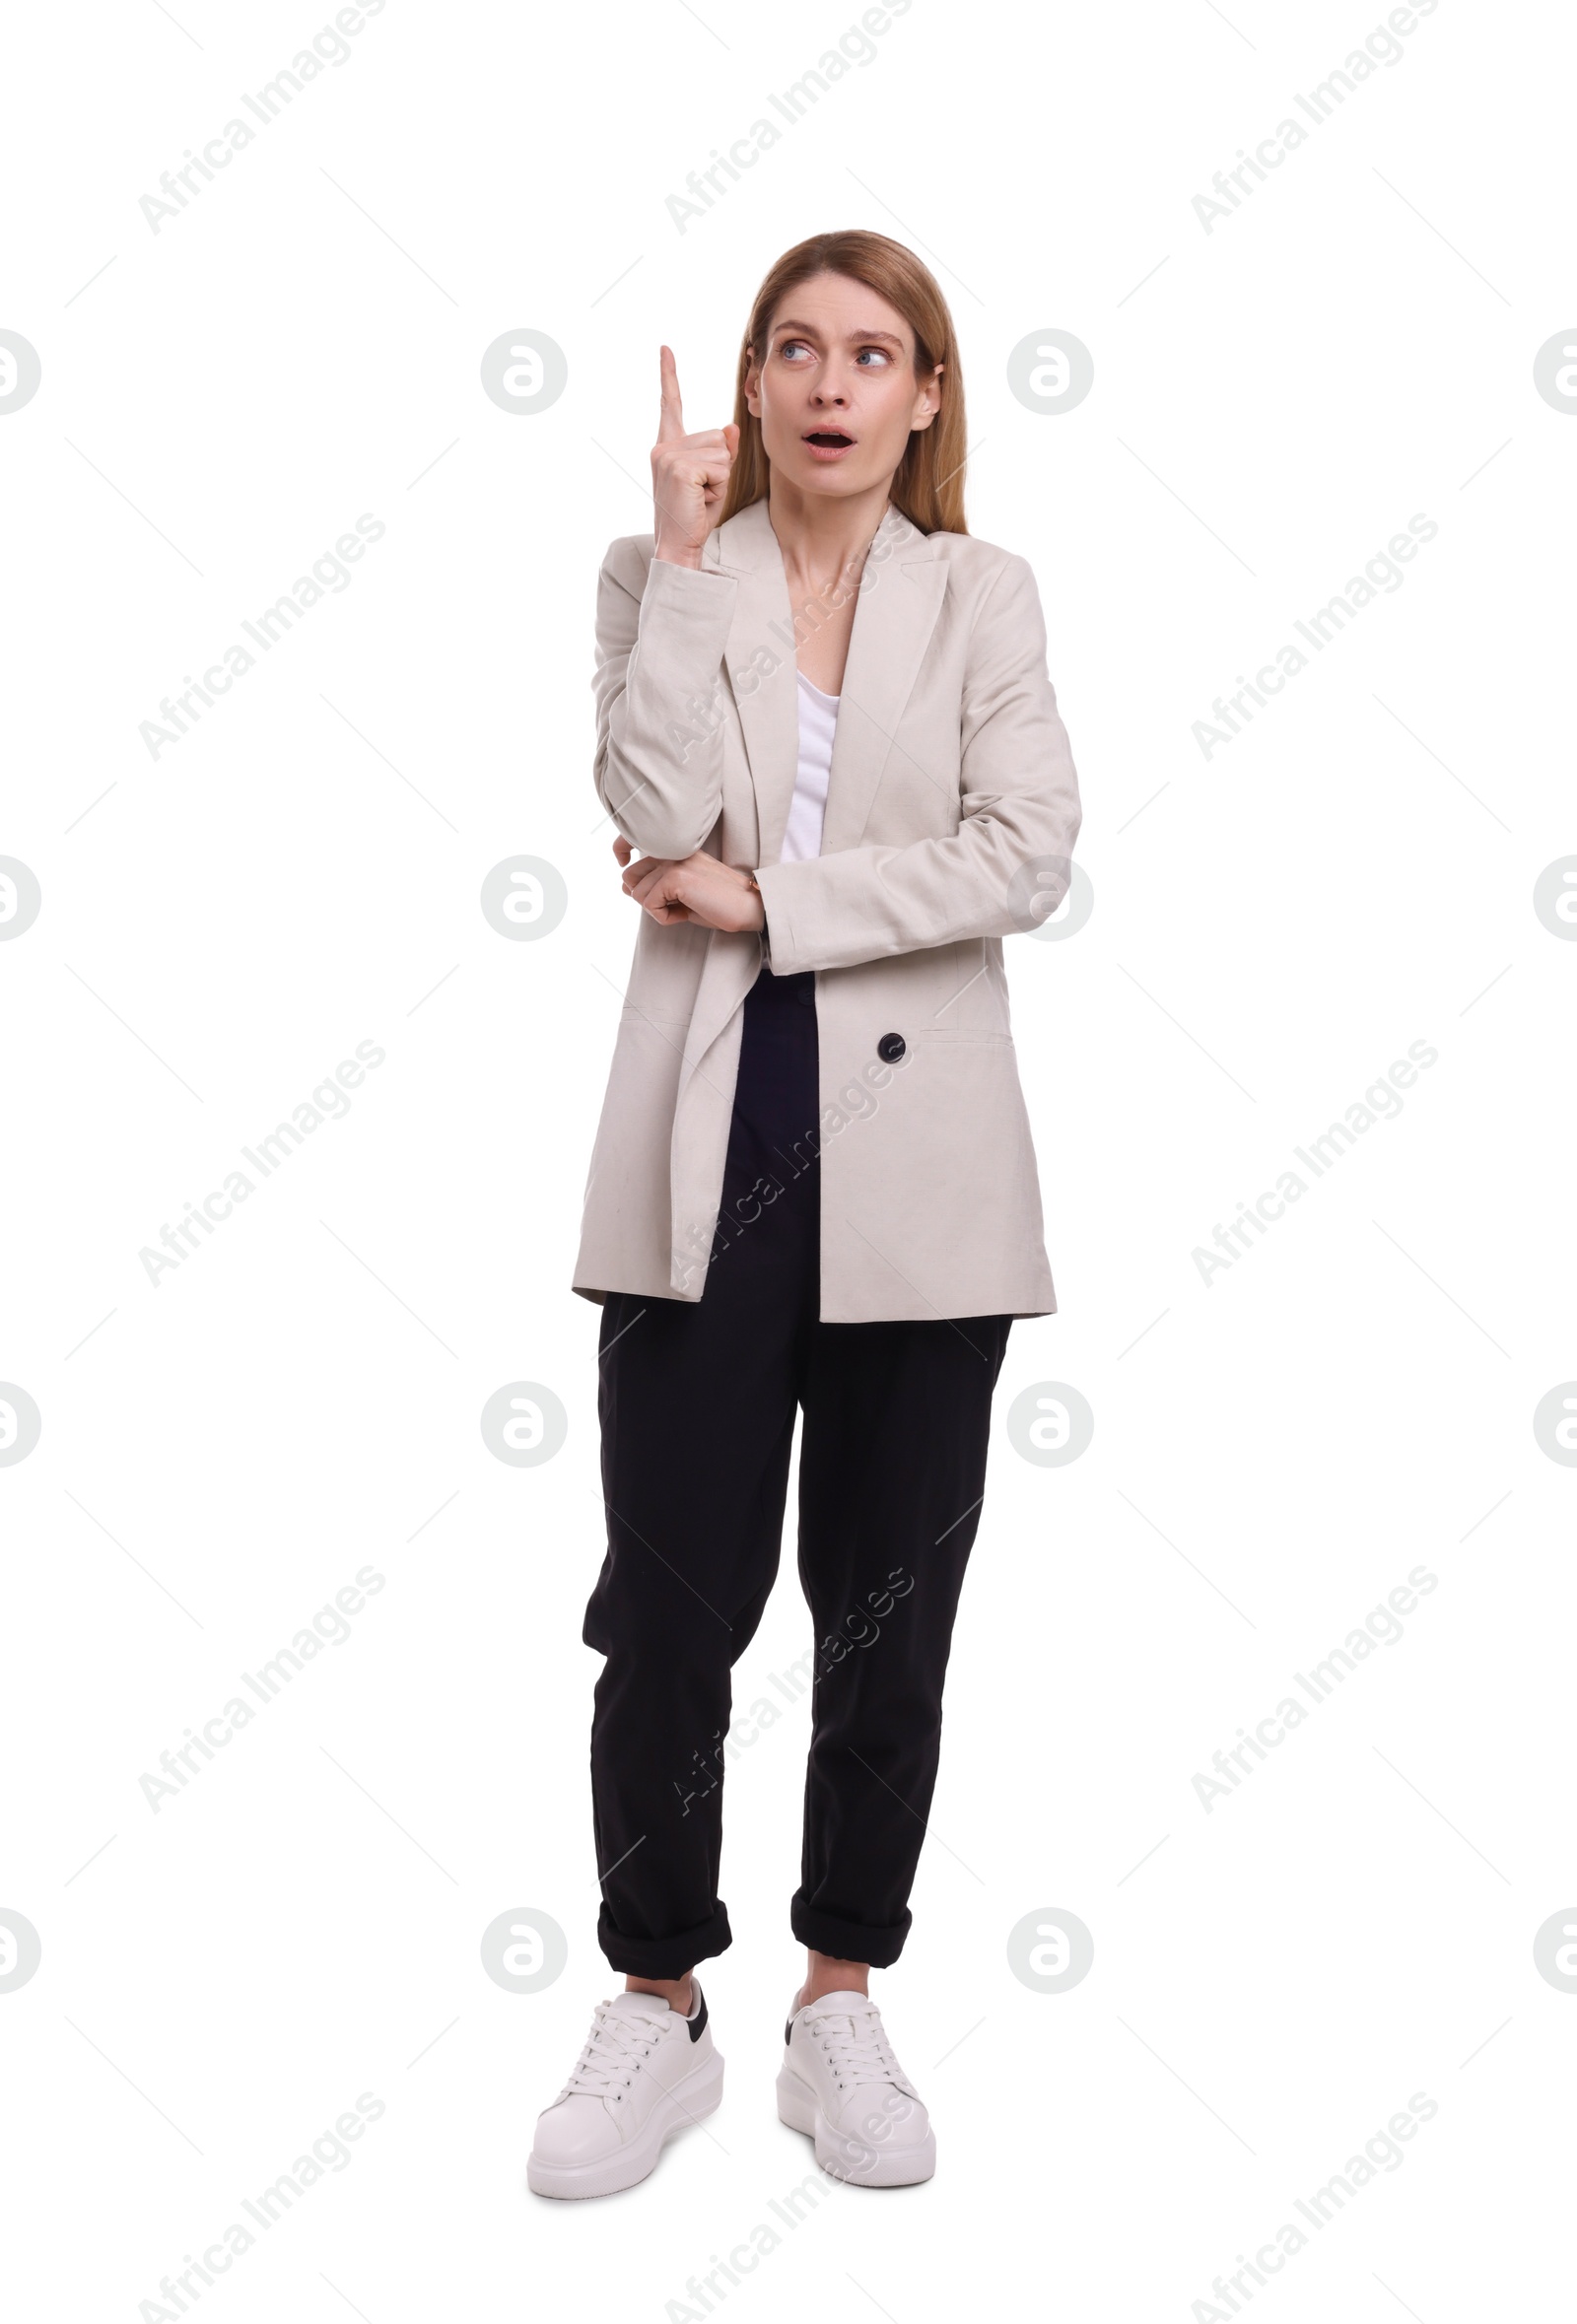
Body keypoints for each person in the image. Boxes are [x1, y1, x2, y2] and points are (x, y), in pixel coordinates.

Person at [527, 230, 1082, 2201]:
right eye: (793, 349)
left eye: (872, 353)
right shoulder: (659, 576)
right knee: (666, 1606)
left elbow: (1025, 853)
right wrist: (680, 567)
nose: (828, 383)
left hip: (923, 1167)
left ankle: (839, 1991)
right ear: (753, 388)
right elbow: (652, 812)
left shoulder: (978, 593)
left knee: (885, 1610)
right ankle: (655, 1998)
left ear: (926, 395)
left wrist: (770, 905)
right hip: (706, 1131)